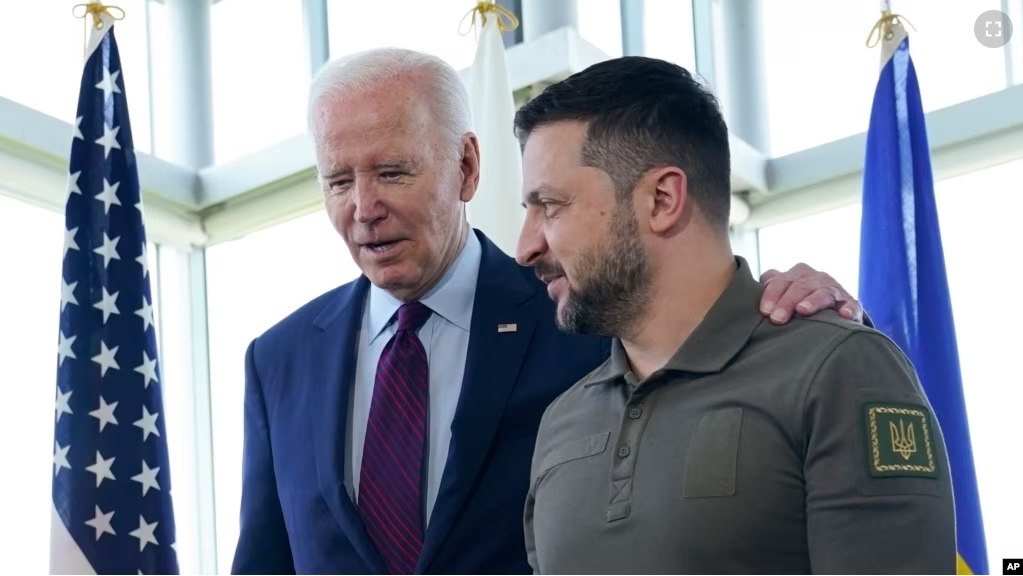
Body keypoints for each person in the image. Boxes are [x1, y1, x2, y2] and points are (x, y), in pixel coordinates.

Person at [230, 48, 866, 575]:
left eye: (393, 173)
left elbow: (701, 314)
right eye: (338, 182)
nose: (363, 208)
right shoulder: (279, 359)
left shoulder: (583, 312)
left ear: (467, 168)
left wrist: (804, 305)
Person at [514, 56, 956, 575]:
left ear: (662, 199)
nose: (525, 246)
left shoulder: (836, 371)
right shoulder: (562, 420)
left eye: (551, 205)